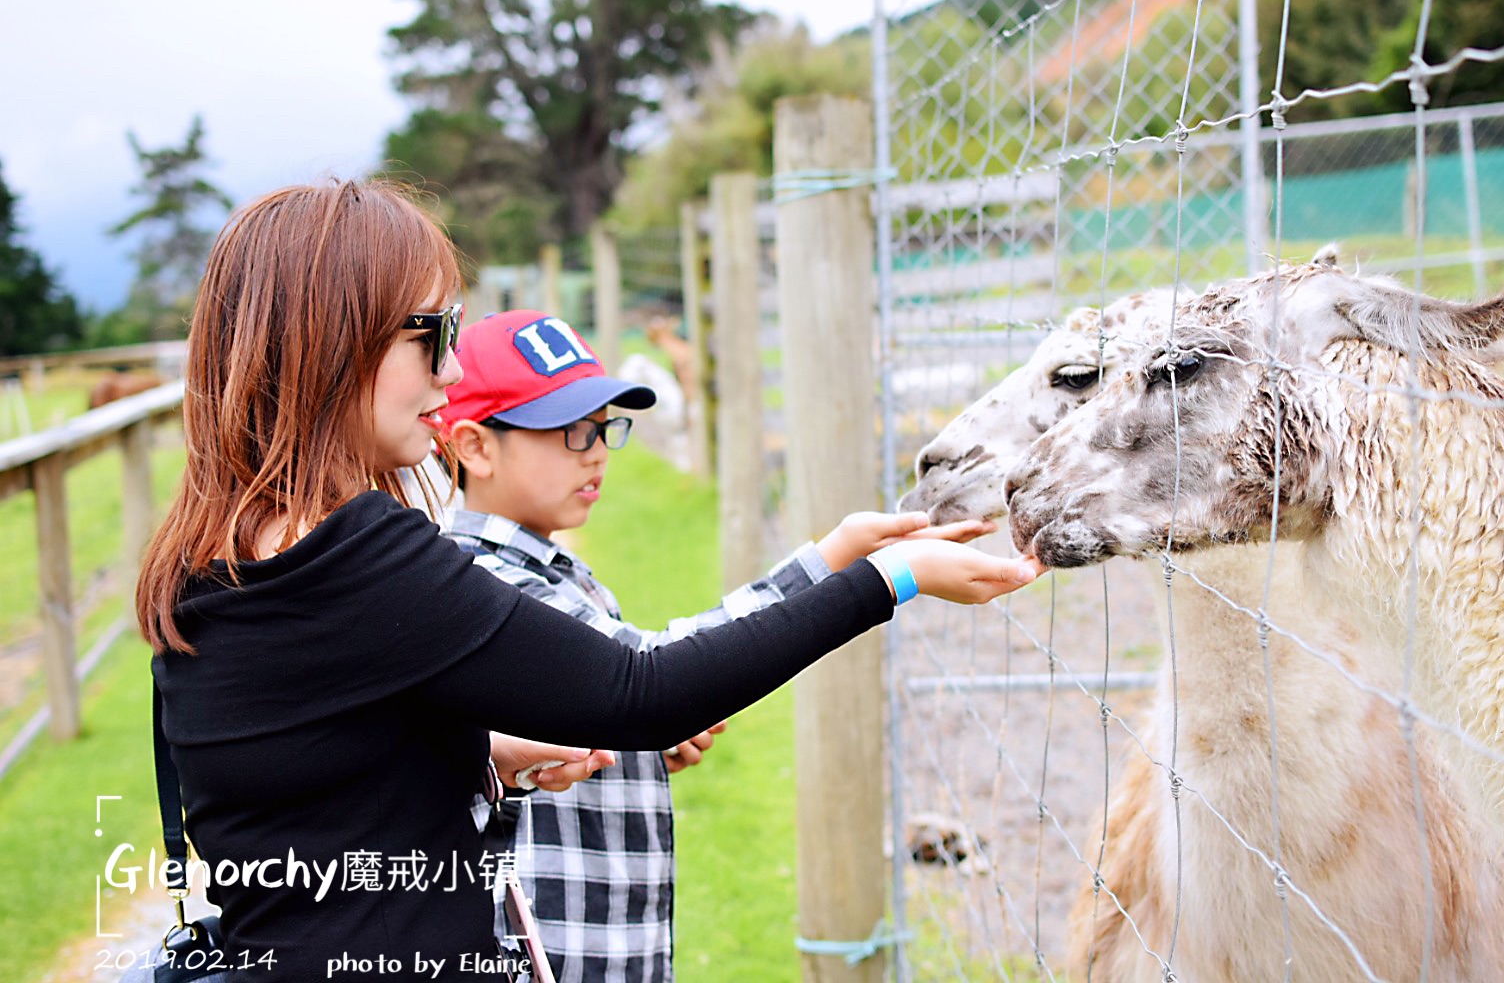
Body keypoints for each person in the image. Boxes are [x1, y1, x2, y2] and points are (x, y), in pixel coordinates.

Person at [135, 180, 1038, 982]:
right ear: (334, 343)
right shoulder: (358, 558)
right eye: (430, 334)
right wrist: (889, 581)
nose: (449, 372)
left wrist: (486, 757)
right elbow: (641, 691)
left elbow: (305, 777)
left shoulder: (215, 560)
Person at [440, 310, 991, 981]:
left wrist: (834, 552)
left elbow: (634, 682)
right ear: (474, 447)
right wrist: (879, 577)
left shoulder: (552, 572)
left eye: (603, 427)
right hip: (557, 955)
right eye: (568, 430)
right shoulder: (485, 584)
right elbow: (650, 677)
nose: (595, 450)